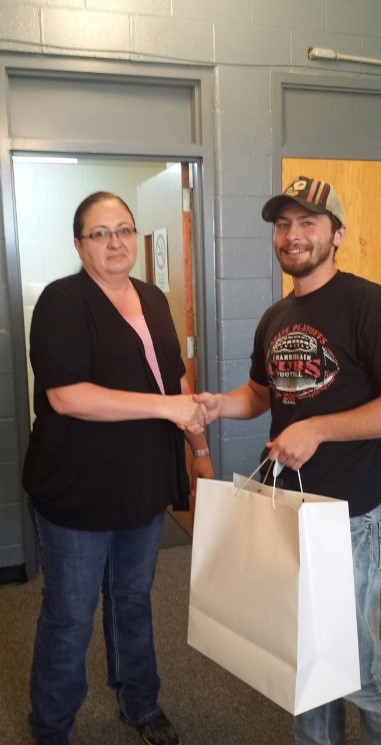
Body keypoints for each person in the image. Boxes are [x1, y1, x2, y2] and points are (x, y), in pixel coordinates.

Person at [196, 176, 381, 744]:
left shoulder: (371, 304)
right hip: (289, 509)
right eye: (283, 224)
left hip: (347, 515)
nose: (293, 235)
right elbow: (263, 394)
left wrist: (317, 429)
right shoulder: (275, 316)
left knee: (354, 664)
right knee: (304, 656)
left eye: (308, 223)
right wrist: (220, 404)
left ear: (337, 235)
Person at [22, 191, 213, 745]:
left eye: (124, 229)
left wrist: (199, 452)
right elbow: (67, 397)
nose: (115, 242)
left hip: (142, 484)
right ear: (79, 244)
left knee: (132, 600)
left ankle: (140, 702)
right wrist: (167, 408)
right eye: (100, 233)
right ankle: (51, 729)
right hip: (77, 490)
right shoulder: (62, 301)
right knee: (70, 615)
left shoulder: (153, 298)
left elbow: (176, 380)